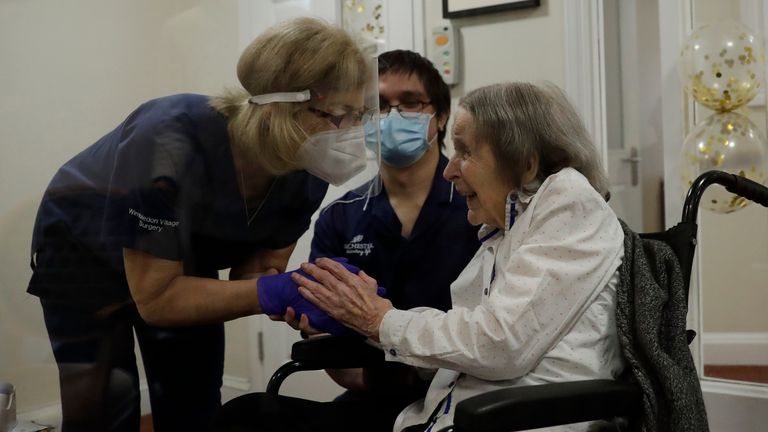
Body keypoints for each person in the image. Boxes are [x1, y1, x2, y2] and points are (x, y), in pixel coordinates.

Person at [27, 17, 375, 432]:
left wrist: (306, 295)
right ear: (284, 107)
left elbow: (254, 272)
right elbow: (157, 300)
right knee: (102, 406)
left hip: (181, 260)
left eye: (360, 115)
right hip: (83, 252)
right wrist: (272, 291)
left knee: (194, 401)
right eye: (340, 115)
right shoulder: (168, 139)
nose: (352, 134)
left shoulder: (309, 167)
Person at [290, 82, 626, 432]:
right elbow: (471, 343)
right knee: (252, 413)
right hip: (444, 415)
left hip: (515, 419)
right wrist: (361, 316)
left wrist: (379, 320)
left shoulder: (569, 201)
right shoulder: (504, 228)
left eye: (465, 153)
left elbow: (500, 344)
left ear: (526, 163)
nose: (450, 172)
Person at [306, 49, 480, 429]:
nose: (393, 116)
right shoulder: (340, 217)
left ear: (441, 116)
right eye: (379, 105)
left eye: (411, 103)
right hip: (373, 393)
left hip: (469, 394)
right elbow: (326, 337)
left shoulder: (482, 208)